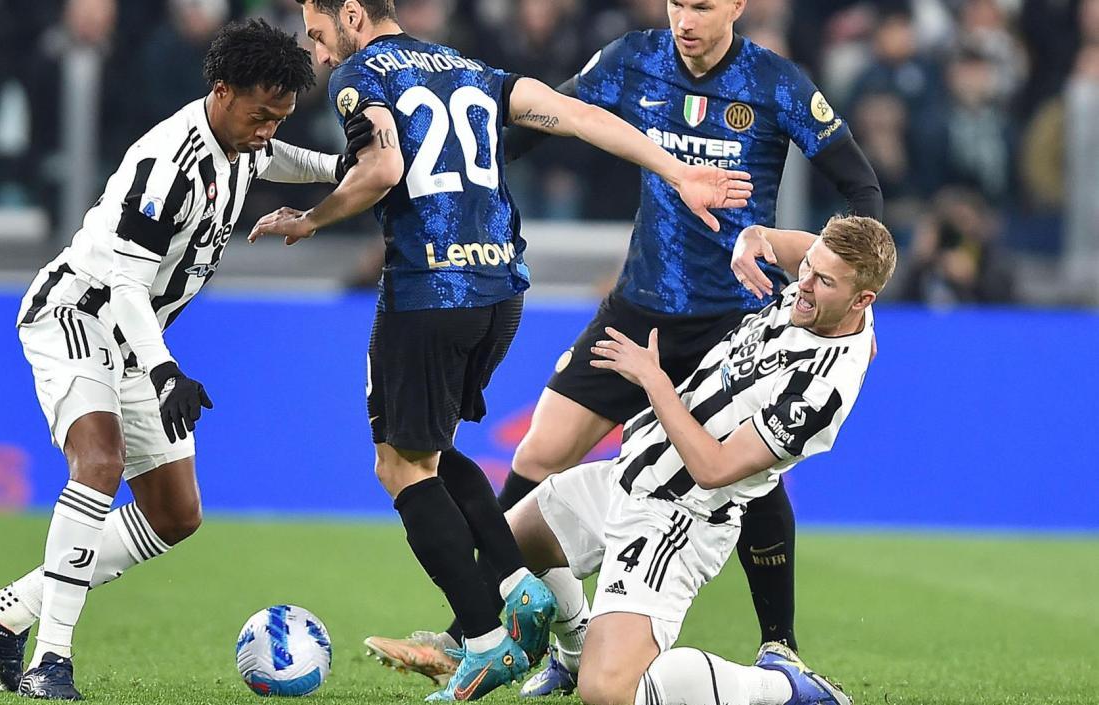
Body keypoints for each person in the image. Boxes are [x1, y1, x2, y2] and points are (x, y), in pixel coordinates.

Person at [363, 0, 885, 691]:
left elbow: (860, 184)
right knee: (539, 453)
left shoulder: (776, 83)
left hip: (733, 315)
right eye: (676, 3)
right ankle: (490, 629)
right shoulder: (634, 59)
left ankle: (779, 648)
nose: (685, 19)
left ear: (737, 6)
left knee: (751, 472)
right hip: (641, 304)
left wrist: (851, 295)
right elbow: (544, 116)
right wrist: (465, 171)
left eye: (702, 6)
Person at [250, 0, 754, 699]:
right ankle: (520, 584)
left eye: (317, 34)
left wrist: (311, 218)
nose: (320, 53)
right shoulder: (468, 68)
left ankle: (487, 640)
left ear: (354, 15)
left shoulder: (362, 73)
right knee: (432, 448)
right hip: (501, 290)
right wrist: (677, 172)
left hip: (430, 286)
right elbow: (576, 115)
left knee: (399, 467)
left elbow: (383, 168)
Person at [0, 19, 373, 700]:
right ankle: (49, 661)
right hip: (77, 316)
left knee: (174, 513)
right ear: (221, 89)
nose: (267, 130)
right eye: (261, 115)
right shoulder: (168, 167)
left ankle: (4, 613)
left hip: (135, 335)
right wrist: (164, 369)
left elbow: (276, 159)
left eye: (281, 117)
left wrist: (338, 170)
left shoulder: (243, 140)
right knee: (100, 462)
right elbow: (122, 285)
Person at [508, 214, 895, 705]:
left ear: (863, 300)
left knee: (607, 693)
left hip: (679, 517)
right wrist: (758, 239)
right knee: (510, 543)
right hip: (632, 472)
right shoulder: (827, 292)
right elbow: (797, 251)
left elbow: (712, 468)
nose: (804, 285)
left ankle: (779, 686)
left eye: (823, 281)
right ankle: (577, 648)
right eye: (809, 267)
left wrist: (654, 381)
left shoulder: (818, 392)